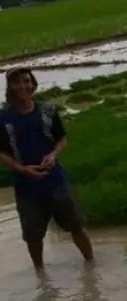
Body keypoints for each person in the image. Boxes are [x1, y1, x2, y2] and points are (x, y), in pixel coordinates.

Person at [0, 67, 93, 272]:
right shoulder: (3, 119)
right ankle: (40, 275)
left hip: (56, 181)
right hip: (26, 187)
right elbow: (2, 152)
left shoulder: (48, 111)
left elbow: (62, 139)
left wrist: (53, 155)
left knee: (76, 226)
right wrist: (21, 169)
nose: (23, 86)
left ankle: (91, 264)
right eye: (17, 82)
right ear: (10, 88)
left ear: (33, 84)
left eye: (26, 81)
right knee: (33, 237)